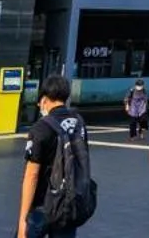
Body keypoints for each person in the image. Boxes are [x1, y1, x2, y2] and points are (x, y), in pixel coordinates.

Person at [21, 75, 91, 238]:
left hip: (43, 204)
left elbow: (32, 175)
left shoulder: (41, 128)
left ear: (44, 99)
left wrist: (23, 219)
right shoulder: (79, 122)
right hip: (69, 201)